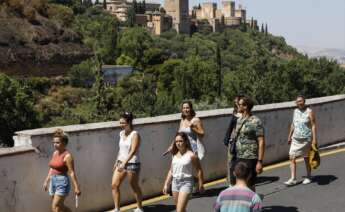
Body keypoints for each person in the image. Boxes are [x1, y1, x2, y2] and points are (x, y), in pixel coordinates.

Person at [163, 132, 204, 212]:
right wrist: (166, 184)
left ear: (185, 141)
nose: (178, 143)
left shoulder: (191, 155)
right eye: (176, 141)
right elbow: (171, 170)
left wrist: (201, 184)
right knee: (181, 209)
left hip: (186, 183)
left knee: (179, 210)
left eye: (181, 141)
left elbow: (199, 170)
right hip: (175, 183)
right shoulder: (174, 154)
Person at [232, 96, 265, 191]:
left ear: (245, 106)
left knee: (250, 184)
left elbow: (261, 141)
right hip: (239, 156)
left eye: (239, 104)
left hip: (250, 157)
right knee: (239, 183)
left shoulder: (256, 121)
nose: (237, 105)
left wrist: (260, 162)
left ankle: (253, 203)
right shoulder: (239, 120)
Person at [111, 112, 144, 212]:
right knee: (114, 185)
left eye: (123, 123)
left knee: (134, 186)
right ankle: (117, 209)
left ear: (129, 122)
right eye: (120, 122)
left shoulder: (135, 134)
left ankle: (139, 207)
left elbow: (133, 150)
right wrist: (116, 161)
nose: (121, 125)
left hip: (132, 163)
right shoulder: (121, 133)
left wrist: (125, 163)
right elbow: (121, 149)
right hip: (121, 162)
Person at [43, 129, 81, 212]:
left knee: (55, 206)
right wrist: (47, 180)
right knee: (60, 206)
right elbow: (52, 168)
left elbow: (71, 172)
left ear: (64, 143)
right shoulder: (55, 153)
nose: (55, 145)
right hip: (53, 181)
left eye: (57, 142)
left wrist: (76, 187)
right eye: (54, 142)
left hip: (62, 182)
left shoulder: (68, 156)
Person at [285, 95, 318, 185]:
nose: (299, 103)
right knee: (291, 156)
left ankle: (308, 176)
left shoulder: (309, 111)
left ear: (304, 101)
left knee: (306, 158)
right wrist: (289, 136)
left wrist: (314, 139)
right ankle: (293, 178)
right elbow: (293, 124)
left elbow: (313, 125)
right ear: (296, 103)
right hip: (296, 138)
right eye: (298, 101)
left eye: (301, 101)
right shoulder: (295, 111)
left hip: (306, 139)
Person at [223, 94, 244, 185]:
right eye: (235, 102)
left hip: (243, 142)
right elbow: (230, 126)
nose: (235, 104)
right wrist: (226, 139)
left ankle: (241, 181)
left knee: (241, 162)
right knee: (231, 162)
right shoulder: (235, 113)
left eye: (237, 102)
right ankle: (231, 182)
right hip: (233, 141)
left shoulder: (246, 114)